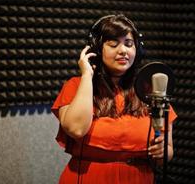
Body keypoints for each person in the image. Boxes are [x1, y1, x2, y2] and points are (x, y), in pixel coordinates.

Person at [51, 14, 177, 184]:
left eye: (129, 44)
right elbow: (76, 129)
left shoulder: (150, 91)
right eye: (113, 44)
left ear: (137, 50)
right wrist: (87, 75)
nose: (123, 50)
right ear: (96, 49)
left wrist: (164, 152)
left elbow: (167, 151)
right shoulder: (76, 86)